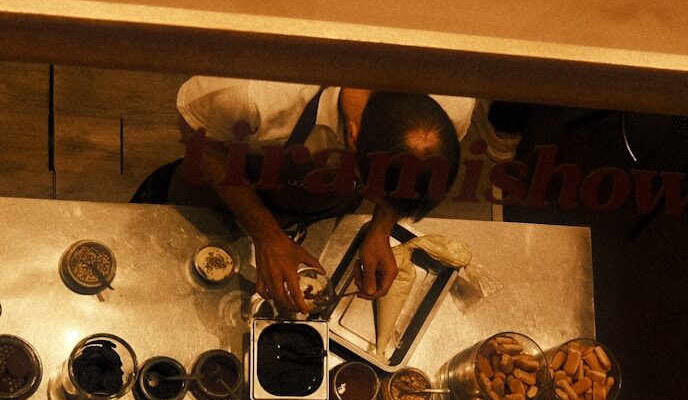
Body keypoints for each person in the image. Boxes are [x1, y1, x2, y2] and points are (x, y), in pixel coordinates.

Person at [166, 77, 474, 315]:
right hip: (226, 192)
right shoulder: (251, 94)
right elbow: (201, 140)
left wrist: (381, 229)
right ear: (351, 137)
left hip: (320, 202)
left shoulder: (451, 105)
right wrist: (266, 233)